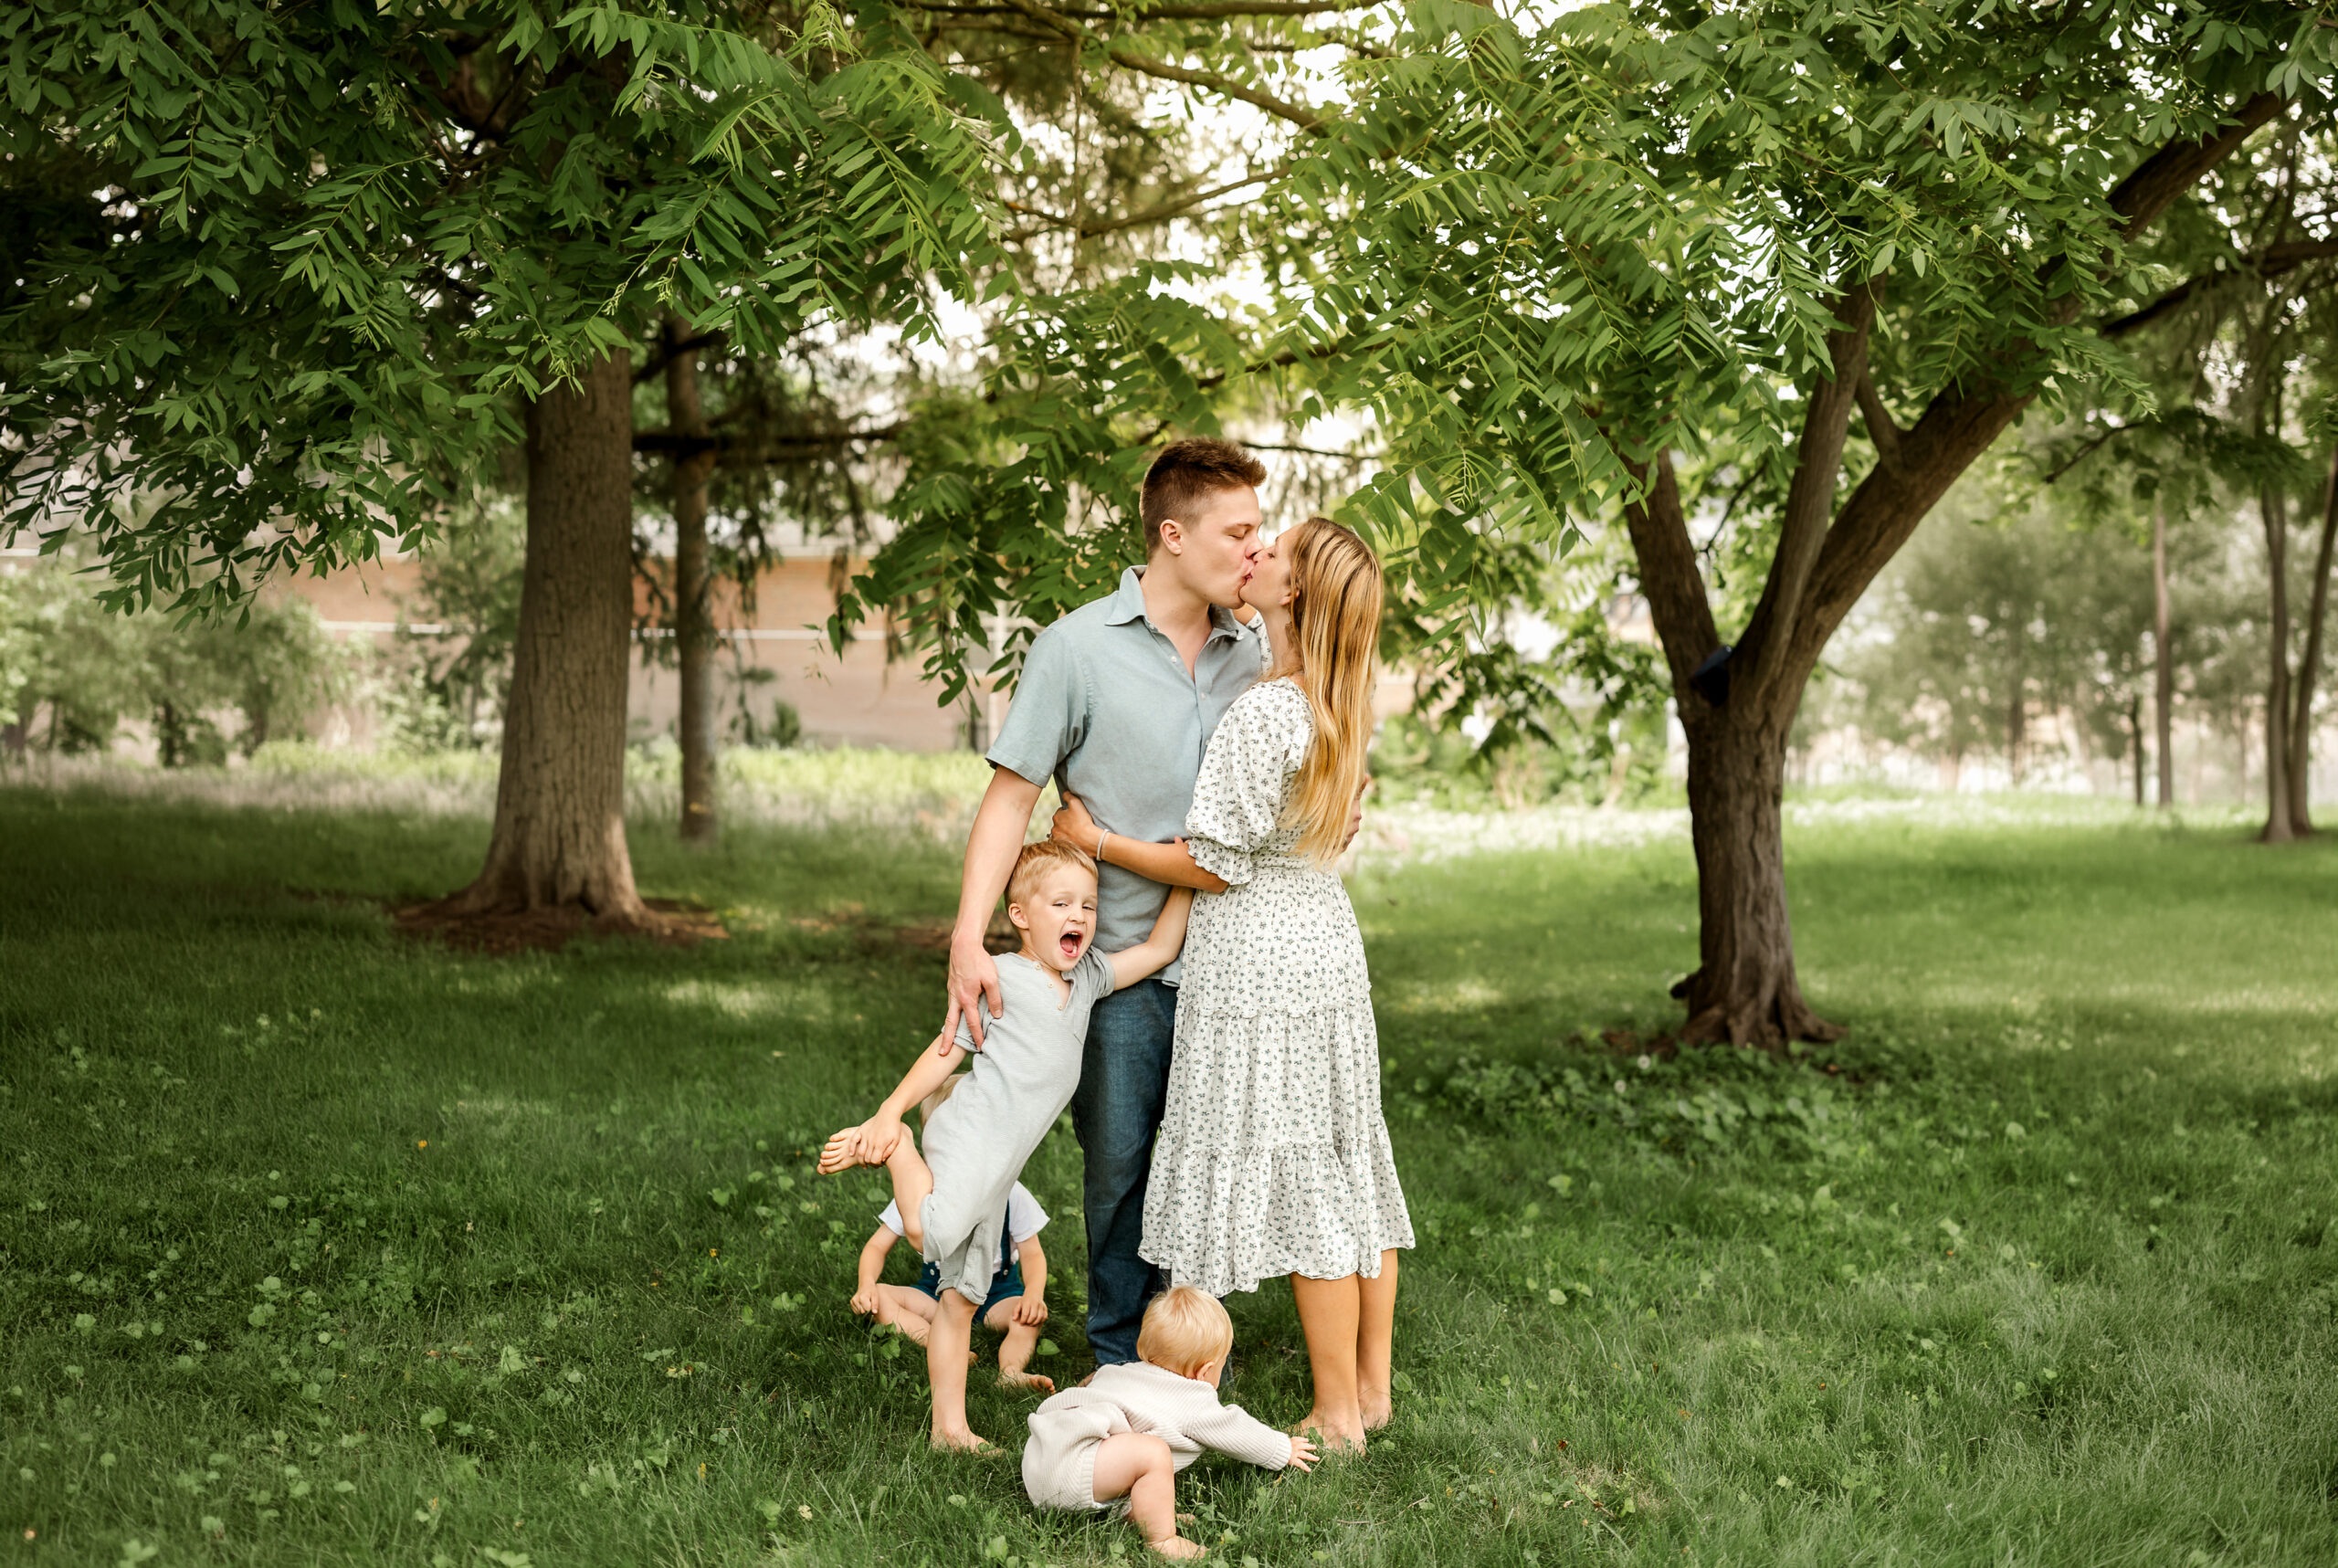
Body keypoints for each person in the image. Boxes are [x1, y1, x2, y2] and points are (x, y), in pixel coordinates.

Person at [1054, 518, 1412, 1453]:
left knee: (1304, 1177)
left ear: (1293, 595)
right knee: (1343, 1157)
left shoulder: (1266, 709)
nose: (1252, 558)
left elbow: (1212, 865)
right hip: (1323, 941)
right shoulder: (1330, 700)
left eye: (1273, 555)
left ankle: (1336, 1417)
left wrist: (1093, 841)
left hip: (1261, 956)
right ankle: (1371, 1387)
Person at [943, 438, 1271, 1369]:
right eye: (1238, 531)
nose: (1256, 549)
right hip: (1116, 968)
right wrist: (969, 938)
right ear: (1173, 535)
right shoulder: (1077, 649)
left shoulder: (1258, 650)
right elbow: (1010, 797)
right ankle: (1122, 1361)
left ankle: (1197, 1356)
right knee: (1121, 1171)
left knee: (1216, 1171)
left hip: (1238, 963)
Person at [820, 840, 1193, 1451]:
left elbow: (1159, 949)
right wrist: (891, 1110)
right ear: (1020, 914)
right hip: (968, 1138)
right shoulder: (1002, 978)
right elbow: (948, 1049)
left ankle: (950, 1428)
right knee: (927, 1236)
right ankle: (900, 1145)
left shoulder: (1091, 976)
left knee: (961, 1299)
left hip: (1000, 1168)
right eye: (1061, 902)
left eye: (1088, 905)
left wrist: (1189, 874)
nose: (1079, 915)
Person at [1022, 1286, 1317, 1559]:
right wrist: (1281, 1448)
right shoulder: (1192, 1399)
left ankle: (1139, 1509)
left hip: (1041, 1461)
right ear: (1206, 1371)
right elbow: (1235, 1430)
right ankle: (1162, 1539)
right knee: (1153, 1453)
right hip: (1073, 1471)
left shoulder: (1116, 1371)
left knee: (1133, 1448)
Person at [849, 1074, 1056, 1393]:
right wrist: (865, 1286)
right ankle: (942, 1343)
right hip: (935, 1294)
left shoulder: (1010, 1191)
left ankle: (1011, 1371)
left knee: (1027, 1319)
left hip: (996, 1296)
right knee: (880, 1297)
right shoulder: (917, 1193)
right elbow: (877, 1247)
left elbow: (1032, 1254)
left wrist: (1033, 1295)